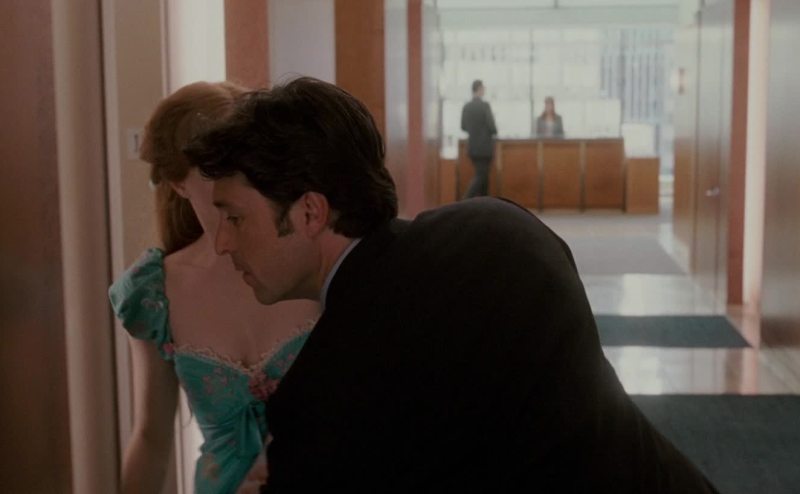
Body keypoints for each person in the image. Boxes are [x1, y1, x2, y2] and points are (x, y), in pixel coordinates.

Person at [186, 77, 718, 493]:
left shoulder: (323, 397)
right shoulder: (501, 230)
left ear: (309, 212)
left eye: (234, 218)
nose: (223, 243)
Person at [108, 81, 320, 494]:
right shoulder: (155, 293)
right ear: (178, 183)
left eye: (247, 162)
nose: (237, 180)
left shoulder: (312, 259)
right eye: (215, 168)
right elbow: (151, 439)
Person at [460, 79, 497, 198]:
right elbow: (492, 127)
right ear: (479, 89)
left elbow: (463, 126)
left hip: (472, 147)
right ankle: (466, 200)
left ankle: (483, 203)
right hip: (485, 148)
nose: (484, 90)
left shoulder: (466, 106)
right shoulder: (485, 106)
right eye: (483, 88)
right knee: (481, 176)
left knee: (484, 177)